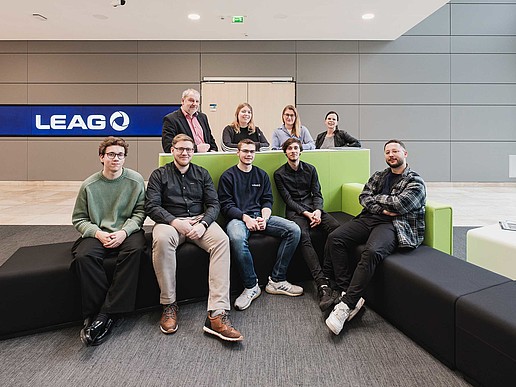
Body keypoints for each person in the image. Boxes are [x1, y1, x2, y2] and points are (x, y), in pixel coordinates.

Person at [146, 134, 243, 342]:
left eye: (189, 149)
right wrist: (175, 222)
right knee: (161, 240)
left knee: (222, 241)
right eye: (180, 149)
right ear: (172, 150)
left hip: (200, 221)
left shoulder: (202, 174)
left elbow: (214, 204)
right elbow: (152, 206)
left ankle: (217, 314)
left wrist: (203, 224)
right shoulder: (159, 175)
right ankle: (169, 304)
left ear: (193, 151)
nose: (184, 153)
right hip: (170, 223)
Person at [324, 139, 426, 335]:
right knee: (335, 237)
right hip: (370, 218)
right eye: (387, 152)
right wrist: (384, 207)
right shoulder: (379, 176)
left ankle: (346, 305)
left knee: (371, 252)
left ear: (405, 154)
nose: (391, 155)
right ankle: (349, 293)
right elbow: (364, 196)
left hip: (394, 225)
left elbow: (401, 204)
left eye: (395, 151)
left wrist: (379, 200)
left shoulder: (415, 181)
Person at [71, 136, 146, 346]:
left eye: (120, 155)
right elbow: (78, 219)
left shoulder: (135, 180)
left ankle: (106, 313)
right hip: (98, 232)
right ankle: (97, 312)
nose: (116, 158)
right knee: (84, 256)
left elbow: (140, 212)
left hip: (127, 231)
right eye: (111, 154)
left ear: (124, 158)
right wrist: (97, 233)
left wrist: (124, 232)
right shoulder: (89, 185)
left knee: (135, 252)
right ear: (102, 157)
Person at [217, 139, 303, 311]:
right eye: (245, 151)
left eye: (252, 152)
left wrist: (264, 218)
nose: (249, 154)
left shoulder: (261, 174)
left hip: (260, 216)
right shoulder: (228, 176)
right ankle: (251, 286)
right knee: (236, 237)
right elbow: (226, 205)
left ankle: (277, 280)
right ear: (238, 153)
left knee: (294, 230)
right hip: (238, 219)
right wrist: (246, 218)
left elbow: (267, 200)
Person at [274, 138, 341, 311]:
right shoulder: (279, 174)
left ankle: (332, 274)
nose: (293, 151)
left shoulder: (310, 169)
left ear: (301, 150)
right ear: (285, 152)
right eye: (290, 149)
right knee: (303, 236)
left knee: (336, 230)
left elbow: (317, 193)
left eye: (296, 148)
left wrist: (317, 211)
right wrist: (307, 213)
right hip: (296, 212)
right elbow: (288, 200)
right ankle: (322, 284)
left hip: (314, 208)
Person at [161, 88, 218, 153]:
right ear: (182, 101)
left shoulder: (203, 117)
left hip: (207, 158)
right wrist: (196, 149)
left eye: (197, 101)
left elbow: (210, 139)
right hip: (186, 159)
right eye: (191, 100)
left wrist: (213, 151)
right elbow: (168, 147)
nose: (194, 104)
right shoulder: (171, 119)